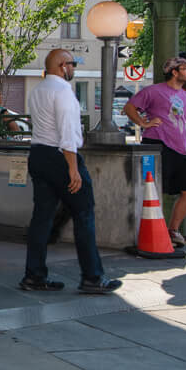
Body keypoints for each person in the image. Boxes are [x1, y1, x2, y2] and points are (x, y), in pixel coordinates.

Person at [23, 49, 123, 294]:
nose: (74, 68)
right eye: (72, 64)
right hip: (61, 157)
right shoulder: (63, 93)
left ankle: (34, 275)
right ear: (61, 65)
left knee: (42, 218)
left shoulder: (38, 91)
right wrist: (73, 169)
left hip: (38, 154)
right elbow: (67, 133)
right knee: (84, 213)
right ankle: (92, 276)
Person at [123, 56, 186, 246]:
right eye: (185, 68)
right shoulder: (154, 91)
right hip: (158, 144)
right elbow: (130, 107)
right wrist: (143, 123)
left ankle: (173, 229)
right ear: (174, 72)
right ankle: (147, 230)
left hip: (181, 150)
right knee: (153, 189)